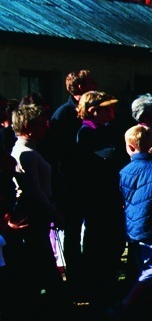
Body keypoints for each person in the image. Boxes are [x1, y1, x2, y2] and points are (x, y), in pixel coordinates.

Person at [112, 125, 152, 319]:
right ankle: (125, 303)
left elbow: (122, 197)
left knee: (146, 265)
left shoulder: (124, 171)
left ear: (129, 147)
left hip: (133, 225)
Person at [73, 91, 128, 304]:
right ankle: (99, 291)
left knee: (114, 244)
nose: (111, 112)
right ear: (94, 110)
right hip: (98, 200)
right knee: (100, 245)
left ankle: (107, 287)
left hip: (111, 198)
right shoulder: (86, 134)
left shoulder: (105, 131)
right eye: (107, 108)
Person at [10, 104, 64, 309]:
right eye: (41, 124)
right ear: (28, 126)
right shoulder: (28, 154)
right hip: (37, 213)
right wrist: (54, 211)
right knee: (43, 258)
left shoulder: (22, 150)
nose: (46, 128)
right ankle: (55, 303)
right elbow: (34, 189)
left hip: (35, 211)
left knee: (39, 259)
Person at [48, 69, 96, 290]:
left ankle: (91, 273)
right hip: (71, 183)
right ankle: (77, 279)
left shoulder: (88, 112)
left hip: (88, 181)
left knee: (92, 231)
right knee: (73, 233)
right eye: (90, 82)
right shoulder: (64, 114)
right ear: (79, 88)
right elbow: (58, 153)